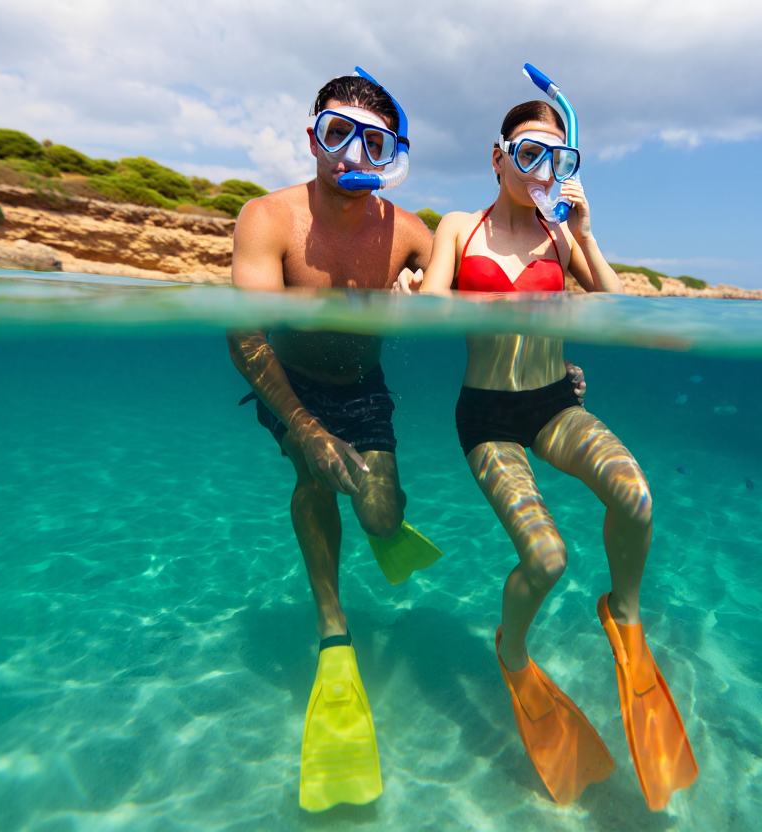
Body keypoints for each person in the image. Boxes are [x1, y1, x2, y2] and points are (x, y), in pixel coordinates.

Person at [401, 97, 698, 810]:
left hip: (554, 405)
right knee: (547, 557)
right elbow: (430, 307)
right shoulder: (458, 227)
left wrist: (587, 236)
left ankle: (623, 615)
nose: (540, 168)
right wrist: (411, 293)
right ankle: (511, 651)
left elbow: (618, 307)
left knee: (637, 495)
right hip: (488, 417)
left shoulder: (561, 238)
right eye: (527, 152)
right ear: (499, 157)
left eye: (555, 157)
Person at [226, 69, 444, 813]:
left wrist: (421, 298)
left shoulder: (410, 231)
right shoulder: (268, 217)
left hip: (365, 389)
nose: (350, 151)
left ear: (392, 152)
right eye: (336, 132)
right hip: (292, 385)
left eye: (372, 140)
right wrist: (306, 427)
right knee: (316, 475)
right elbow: (245, 335)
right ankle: (333, 624)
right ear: (313, 135)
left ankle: (380, 518)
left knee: (380, 511)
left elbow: (456, 296)